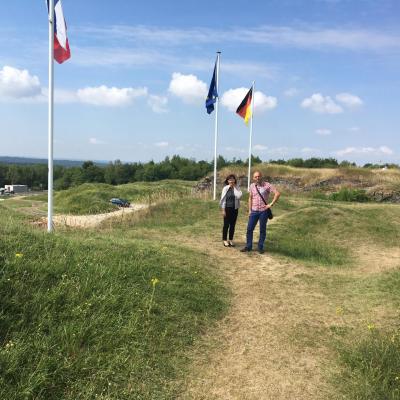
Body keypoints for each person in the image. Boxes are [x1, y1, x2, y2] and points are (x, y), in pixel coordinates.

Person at [241, 171, 280, 254]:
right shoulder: (251, 186)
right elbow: (250, 198)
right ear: (253, 178)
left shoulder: (267, 185)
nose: (257, 178)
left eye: (258, 176)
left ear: (261, 176)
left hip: (263, 211)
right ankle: (248, 246)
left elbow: (277, 193)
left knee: (262, 229)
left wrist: (271, 204)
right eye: (255, 177)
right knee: (249, 229)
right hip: (254, 211)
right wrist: (250, 210)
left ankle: (260, 247)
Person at [219, 174, 242, 247]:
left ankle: (230, 240)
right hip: (227, 208)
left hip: (235, 209)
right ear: (227, 181)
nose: (231, 181)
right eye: (230, 179)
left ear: (235, 180)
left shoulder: (237, 188)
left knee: (233, 225)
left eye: (233, 179)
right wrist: (223, 210)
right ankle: (225, 240)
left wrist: (234, 187)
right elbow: (223, 200)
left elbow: (239, 196)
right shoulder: (225, 188)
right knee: (226, 225)